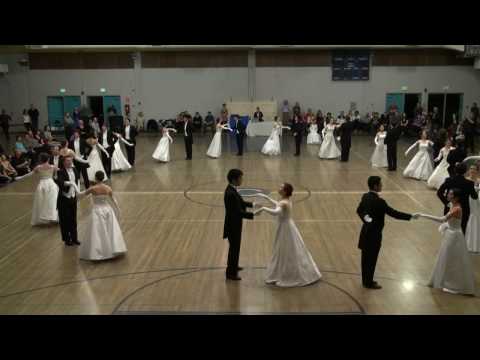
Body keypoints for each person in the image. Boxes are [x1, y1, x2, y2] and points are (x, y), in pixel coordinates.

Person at [253, 183, 322, 287]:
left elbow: (276, 212)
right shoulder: (286, 201)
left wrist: (263, 209)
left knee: (285, 250)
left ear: (285, 191)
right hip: (288, 226)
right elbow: (278, 204)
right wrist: (266, 198)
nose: (279, 188)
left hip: (285, 228)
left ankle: (288, 275)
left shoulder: (284, 203)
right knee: (289, 249)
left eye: (281, 187)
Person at [356, 176, 415, 289]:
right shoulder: (380, 202)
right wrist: (410, 216)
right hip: (375, 235)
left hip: (365, 232)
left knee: (365, 259)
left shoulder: (365, 197)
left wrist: (366, 219)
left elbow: (359, 210)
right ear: (375, 186)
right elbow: (394, 213)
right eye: (380, 184)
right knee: (372, 259)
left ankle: (365, 280)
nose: (382, 186)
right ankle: (368, 283)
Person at [414, 189, 475, 296]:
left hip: (454, 237)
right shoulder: (453, 205)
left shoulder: (456, 209)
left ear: (456, 197)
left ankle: (452, 283)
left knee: (451, 260)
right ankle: (442, 280)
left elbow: (441, 219)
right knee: (445, 258)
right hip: (451, 234)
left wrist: (422, 215)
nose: (447, 195)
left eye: (450, 194)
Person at [71, 171, 127, 261]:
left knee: (98, 231)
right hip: (108, 210)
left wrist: (73, 185)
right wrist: (118, 210)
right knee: (110, 230)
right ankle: (113, 249)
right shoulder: (108, 188)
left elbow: (80, 195)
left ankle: (100, 251)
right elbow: (114, 200)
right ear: (103, 178)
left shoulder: (93, 188)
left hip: (97, 210)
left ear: (96, 178)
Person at [223, 169, 255, 281]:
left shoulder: (232, 190)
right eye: (240, 178)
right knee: (234, 249)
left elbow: (241, 202)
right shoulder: (230, 193)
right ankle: (230, 273)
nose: (242, 180)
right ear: (234, 179)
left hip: (235, 224)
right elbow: (238, 212)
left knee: (235, 248)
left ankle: (234, 266)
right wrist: (253, 214)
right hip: (233, 226)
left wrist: (254, 204)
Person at [437, 162, 478, 234]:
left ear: (455, 170)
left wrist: (446, 203)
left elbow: (439, 193)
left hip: (450, 208)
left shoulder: (449, 180)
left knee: (448, 229)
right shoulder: (469, 183)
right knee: (462, 231)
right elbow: (474, 196)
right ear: (465, 171)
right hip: (463, 210)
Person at [56, 155, 80, 246]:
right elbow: (61, 183)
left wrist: (77, 192)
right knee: (65, 220)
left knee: (73, 219)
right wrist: (71, 183)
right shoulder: (60, 172)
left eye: (70, 160)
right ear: (63, 162)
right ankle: (67, 239)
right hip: (64, 199)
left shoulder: (75, 170)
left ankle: (75, 238)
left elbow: (77, 181)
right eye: (68, 161)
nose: (70, 162)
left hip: (73, 198)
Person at [31, 153, 59, 226]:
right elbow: (56, 176)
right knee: (52, 201)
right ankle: (53, 217)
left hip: (42, 185)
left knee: (41, 202)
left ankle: (43, 218)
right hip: (51, 184)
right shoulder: (53, 167)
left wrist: (20, 177)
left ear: (41, 159)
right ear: (48, 159)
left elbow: (32, 174)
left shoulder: (38, 167)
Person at [465, 163, 480, 252]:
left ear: (477, 171)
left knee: (476, 220)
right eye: (471, 168)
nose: (472, 170)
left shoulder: (479, 181)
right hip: (468, 202)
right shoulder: (466, 180)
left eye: (474, 169)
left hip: (476, 203)